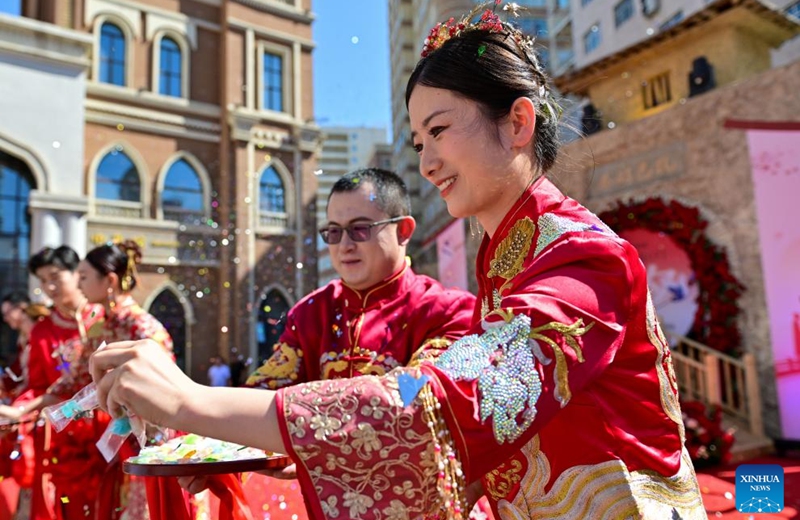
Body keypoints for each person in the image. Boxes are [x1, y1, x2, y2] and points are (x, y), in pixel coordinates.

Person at [89, 4, 706, 518]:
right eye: (418, 141)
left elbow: (440, 405)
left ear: (518, 122)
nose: (427, 161)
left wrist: (194, 402)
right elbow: (433, 410)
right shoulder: (508, 263)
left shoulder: (582, 257)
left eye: (439, 130)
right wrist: (243, 440)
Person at [191, 168, 479, 518]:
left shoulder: (449, 311)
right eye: (333, 232)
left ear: (403, 230)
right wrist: (213, 443)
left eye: (360, 229)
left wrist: (302, 435)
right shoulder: (311, 313)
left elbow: (411, 404)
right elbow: (266, 391)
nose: (344, 246)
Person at [72, 240, 175, 520]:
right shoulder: (99, 325)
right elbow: (77, 379)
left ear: (110, 280)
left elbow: (166, 390)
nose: (77, 284)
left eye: (83, 277)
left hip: (145, 442)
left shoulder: (141, 326)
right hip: (110, 441)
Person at [0, 246, 104, 520]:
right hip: (61, 433)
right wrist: (18, 411)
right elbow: (37, 384)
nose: (49, 286)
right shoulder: (43, 330)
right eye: (43, 280)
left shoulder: (103, 317)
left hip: (105, 428)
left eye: (56, 276)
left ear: (76, 273)